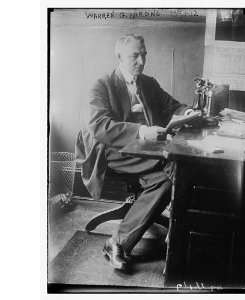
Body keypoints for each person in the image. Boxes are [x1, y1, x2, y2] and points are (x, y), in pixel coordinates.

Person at [75, 34, 193, 270]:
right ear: (119, 57)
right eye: (134, 56)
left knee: (167, 179)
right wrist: (141, 131)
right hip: (109, 151)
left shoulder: (148, 83)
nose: (141, 61)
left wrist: (187, 112)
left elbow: (173, 106)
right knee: (173, 168)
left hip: (142, 152)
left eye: (144, 54)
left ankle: (117, 242)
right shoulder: (102, 84)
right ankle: (179, 231)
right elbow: (99, 126)